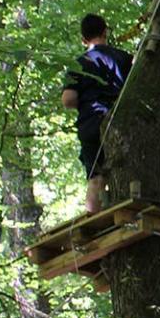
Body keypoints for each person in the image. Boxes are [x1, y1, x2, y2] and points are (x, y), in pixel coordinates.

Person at [58, 13, 134, 212]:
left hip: (91, 123)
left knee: (96, 178)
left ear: (83, 39)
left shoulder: (80, 63)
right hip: (121, 121)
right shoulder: (125, 59)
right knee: (128, 173)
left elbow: (67, 99)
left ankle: (94, 225)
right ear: (105, 32)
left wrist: (85, 100)